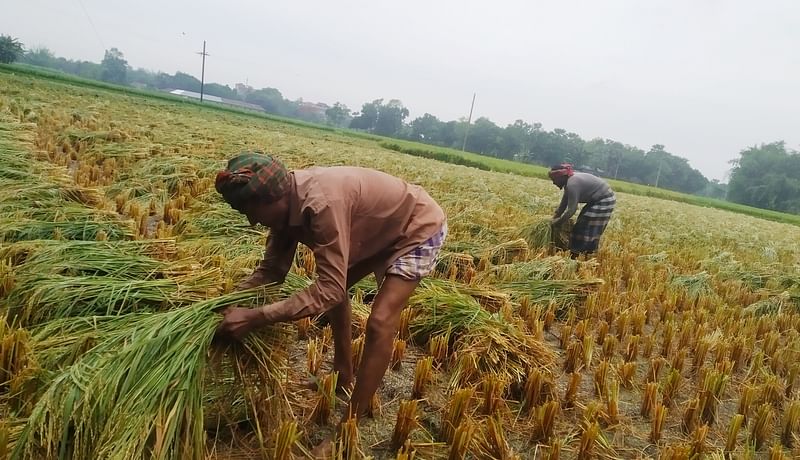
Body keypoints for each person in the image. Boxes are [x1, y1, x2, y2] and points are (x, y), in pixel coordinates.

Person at [213, 151, 447, 427]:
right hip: (374, 228)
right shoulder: (284, 208)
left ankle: (350, 424)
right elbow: (271, 272)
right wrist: (220, 306)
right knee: (337, 282)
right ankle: (343, 374)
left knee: (380, 321)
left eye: (252, 213)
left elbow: (329, 290)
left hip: (415, 226)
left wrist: (255, 317)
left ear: (273, 198)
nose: (252, 221)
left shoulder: (321, 205)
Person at [548, 163, 616, 259]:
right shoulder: (568, 183)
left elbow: (571, 210)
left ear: (561, 177)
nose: (553, 183)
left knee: (584, 226)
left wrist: (557, 223)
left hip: (604, 199)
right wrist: (554, 218)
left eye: (554, 179)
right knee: (582, 222)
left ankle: (580, 253)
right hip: (596, 200)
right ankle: (579, 252)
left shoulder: (572, 184)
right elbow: (563, 204)